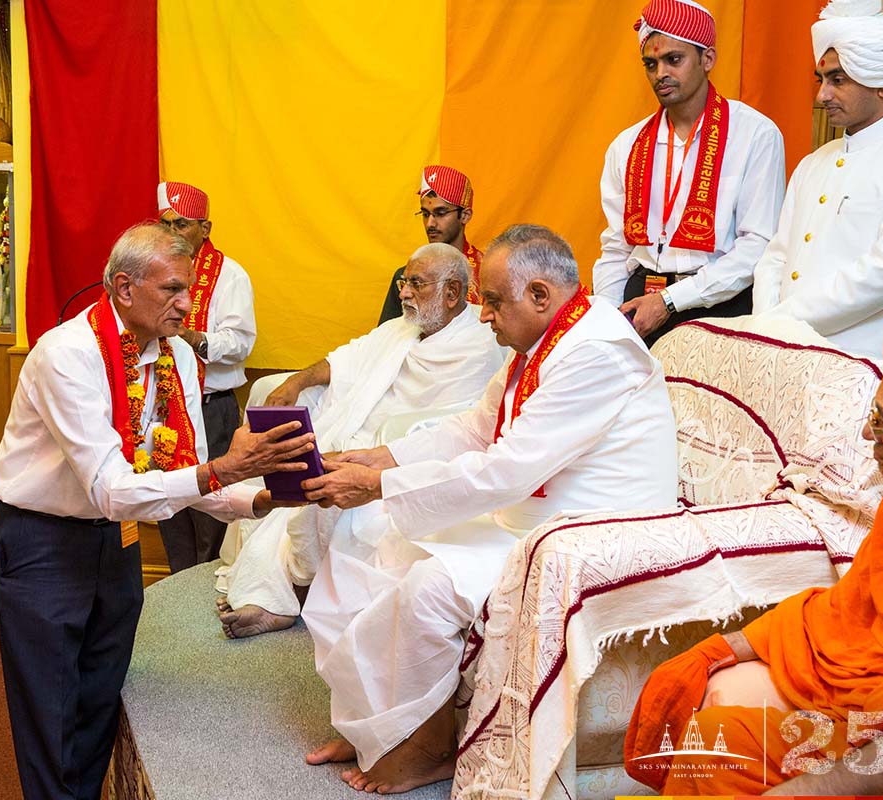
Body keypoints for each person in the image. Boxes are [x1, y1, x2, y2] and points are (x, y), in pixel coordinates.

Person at [300, 224, 679, 794]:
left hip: (584, 532)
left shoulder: (596, 351)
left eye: (494, 301)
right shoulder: (544, 339)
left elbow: (506, 470)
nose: (484, 316)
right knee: (365, 539)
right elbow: (473, 431)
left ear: (540, 296)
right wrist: (375, 458)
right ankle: (373, 725)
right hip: (530, 514)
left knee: (428, 587)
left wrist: (379, 485)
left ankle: (427, 749)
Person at [0, 222, 313, 800]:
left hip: (118, 541)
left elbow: (185, 471)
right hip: (44, 542)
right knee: (49, 707)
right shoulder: (67, 356)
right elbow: (112, 489)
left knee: (100, 694)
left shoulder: (179, 357)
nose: (188, 304)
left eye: (189, 288)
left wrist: (261, 499)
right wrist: (223, 471)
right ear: (123, 288)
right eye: (172, 291)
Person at [624, 305, 883, 795]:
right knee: (714, 740)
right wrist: (723, 648)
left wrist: (801, 791)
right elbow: (843, 614)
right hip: (868, 702)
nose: (867, 435)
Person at [216, 242, 505, 638]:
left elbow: (458, 426)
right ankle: (277, 589)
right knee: (292, 441)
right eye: (405, 282)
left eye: (415, 284)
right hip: (357, 430)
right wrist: (294, 382)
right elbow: (345, 359)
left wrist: (378, 448)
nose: (402, 293)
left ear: (451, 293)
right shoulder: (401, 329)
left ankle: (288, 596)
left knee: (321, 484)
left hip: (405, 450)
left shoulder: (479, 345)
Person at [593, 0, 785, 348]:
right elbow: (616, 248)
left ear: (707, 59)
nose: (660, 73)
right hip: (637, 305)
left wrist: (670, 301)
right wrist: (608, 317)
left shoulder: (755, 134)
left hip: (716, 304)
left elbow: (758, 245)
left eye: (674, 59)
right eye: (650, 64)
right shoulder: (627, 145)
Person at [753, 0, 883, 368]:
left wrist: (781, 322)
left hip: (860, 367)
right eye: (821, 80)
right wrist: (764, 328)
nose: (822, 95)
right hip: (779, 355)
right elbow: (775, 257)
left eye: (837, 80)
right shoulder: (813, 163)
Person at [155, 181, 258, 572]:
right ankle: (175, 591)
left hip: (212, 410)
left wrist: (189, 335)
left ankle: (204, 605)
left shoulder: (230, 276)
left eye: (181, 225)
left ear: (206, 228)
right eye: (165, 225)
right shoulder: (152, 275)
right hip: (165, 407)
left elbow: (239, 343)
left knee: (213, 516)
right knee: (169, 508)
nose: (171, 234)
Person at [377, 165, 484, 325]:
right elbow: (386, 340)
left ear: (465, 216)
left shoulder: (487, 274)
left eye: (440, 213)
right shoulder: (405, 279)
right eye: (425, 214)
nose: (430, 223)